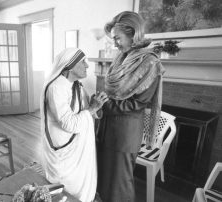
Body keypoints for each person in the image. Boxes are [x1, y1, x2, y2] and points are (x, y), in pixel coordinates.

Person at [96, 11, 165, 202]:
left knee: (120, 183)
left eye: (117, 38)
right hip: (107, 128)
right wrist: (102, 100)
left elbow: (139, 102)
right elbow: (114, 91)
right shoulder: (122, 57)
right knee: (105, 178)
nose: (115, 43)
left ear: (133, 34)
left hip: (125, 132)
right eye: (113, 39)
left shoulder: (149, 62)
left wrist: (105, 105)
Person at [40, 48, 108, 202]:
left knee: (80, 184)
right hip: (65, 149)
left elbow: (85, 111)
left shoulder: (76, 85)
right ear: (70, 65)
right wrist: (92, 109)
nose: (87, 66)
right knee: (67, 188)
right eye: (83, 61)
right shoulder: (56, 87)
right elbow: (69, 124)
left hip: (79, 146)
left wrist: (95, 105)